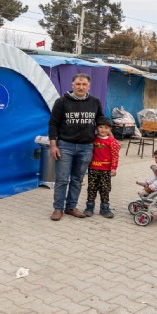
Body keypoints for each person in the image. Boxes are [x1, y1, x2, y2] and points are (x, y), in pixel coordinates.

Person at [48, 73, 104, 221]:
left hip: (86, 147)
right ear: (72, 85)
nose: (81, 87)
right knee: (61, 179)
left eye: (84, 84)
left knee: (77, 179)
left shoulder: (95, 102)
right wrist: (53, 145)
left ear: (89, 86)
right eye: (78, 84)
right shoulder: (61, 102)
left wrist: (107, 138)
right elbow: (53, 123)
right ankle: (58, 208)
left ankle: (71, 207)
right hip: (65, 146)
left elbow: (100, 121)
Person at [83, 116, 120, 218]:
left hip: (106, 170)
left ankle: (105, 209)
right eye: (101, 127)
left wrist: (113, 168)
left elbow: (115, 156)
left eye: (106, 128)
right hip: (93, 169)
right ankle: (89, 208)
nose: (103, 130)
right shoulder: (92, 139)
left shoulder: (112, 142)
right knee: (91, 188)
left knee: (105, 189)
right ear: (96, 128)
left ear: (110, 129)